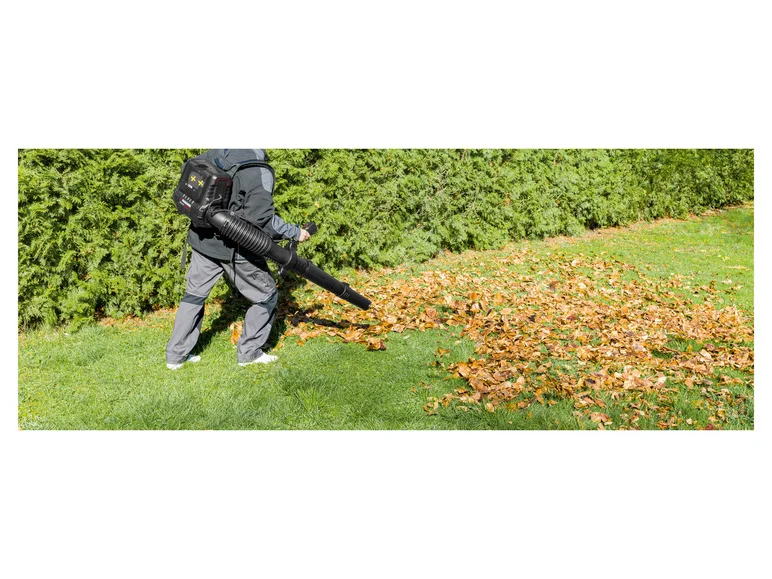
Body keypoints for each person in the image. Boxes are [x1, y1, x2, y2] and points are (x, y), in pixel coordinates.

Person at [166, 149, 311, 370]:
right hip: (237, 248)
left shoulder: (218, 150)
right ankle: (250, 353)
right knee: (266, 296)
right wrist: (295, 232)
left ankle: (175, 357)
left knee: (194, 295)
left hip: (202, 239)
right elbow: (263, 220)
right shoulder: (259, 170)